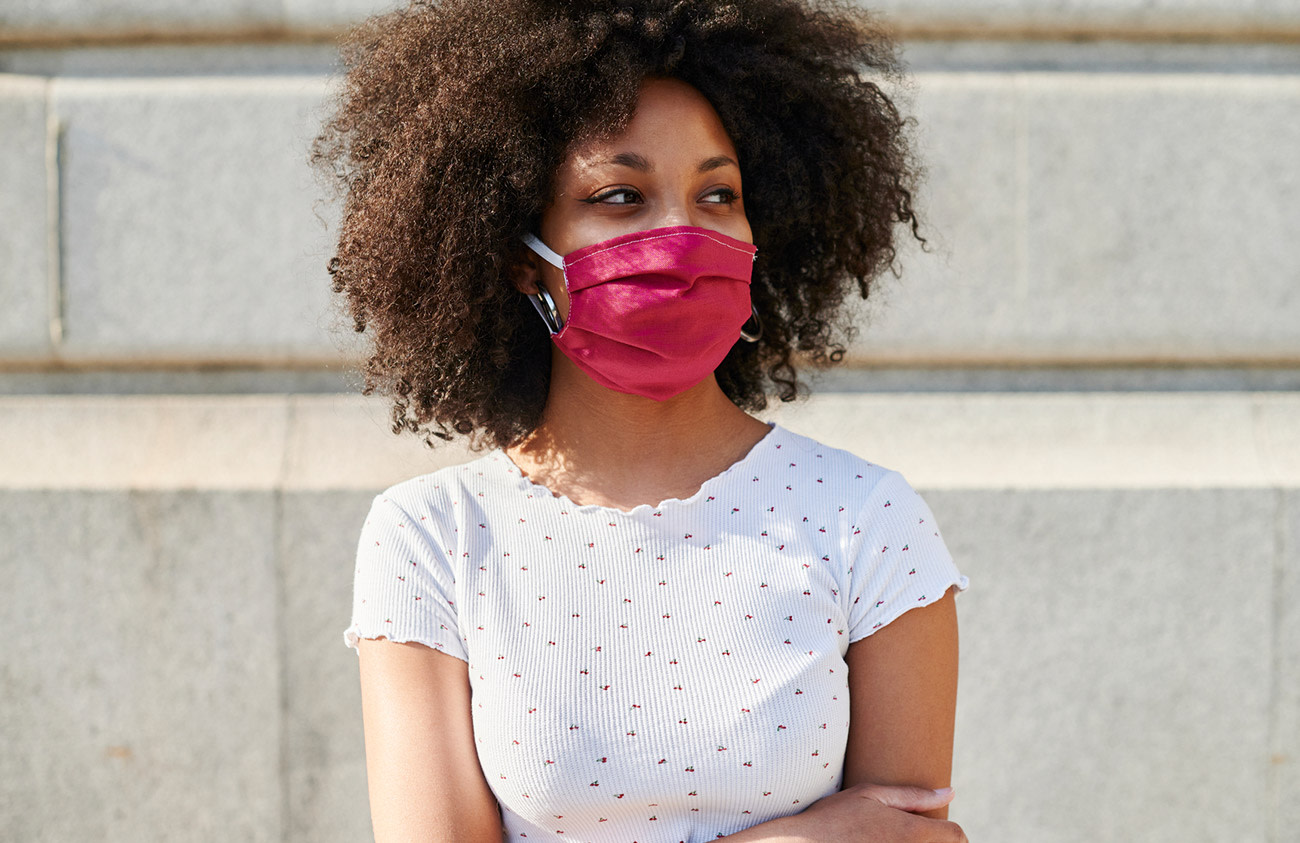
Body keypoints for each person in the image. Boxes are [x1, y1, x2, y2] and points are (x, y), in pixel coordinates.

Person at [314, 1, 970, 840]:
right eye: (620, 195)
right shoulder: (434, 536)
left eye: (718, 193)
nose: (680, 232)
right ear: (523, 260)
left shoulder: (866, 518)